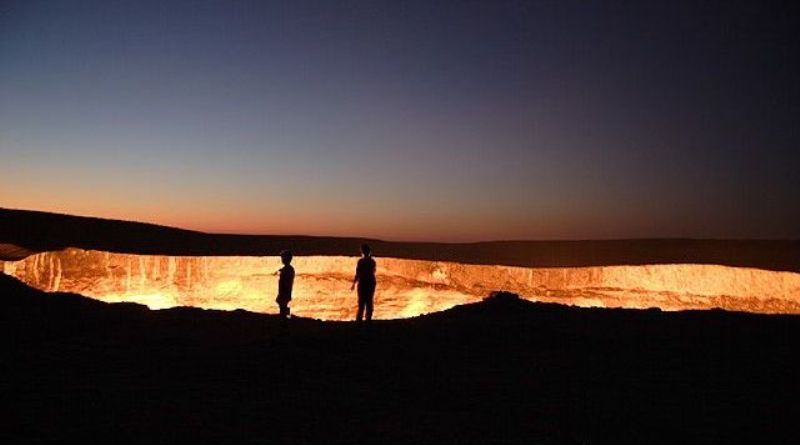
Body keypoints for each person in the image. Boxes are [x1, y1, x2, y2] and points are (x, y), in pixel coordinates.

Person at [350, 243, 376, 321]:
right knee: (369, 301)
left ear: (362, 251)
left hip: (363, 283)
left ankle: (359, 320)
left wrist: (354, 284)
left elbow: (358, 273)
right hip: (371, 282)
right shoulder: (372, 261)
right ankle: (368, 319)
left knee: (361, 302)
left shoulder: (361, 261)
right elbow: (373, 271)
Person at [275, 250, 294, 318]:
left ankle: (284, 317)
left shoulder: (288, 269)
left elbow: (286, 282)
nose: (282, 259)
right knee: (282, 305)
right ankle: (284, 316)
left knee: (283, 305)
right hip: (284, 292)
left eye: (283, 258)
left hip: (284, 292)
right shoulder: (287, 269)